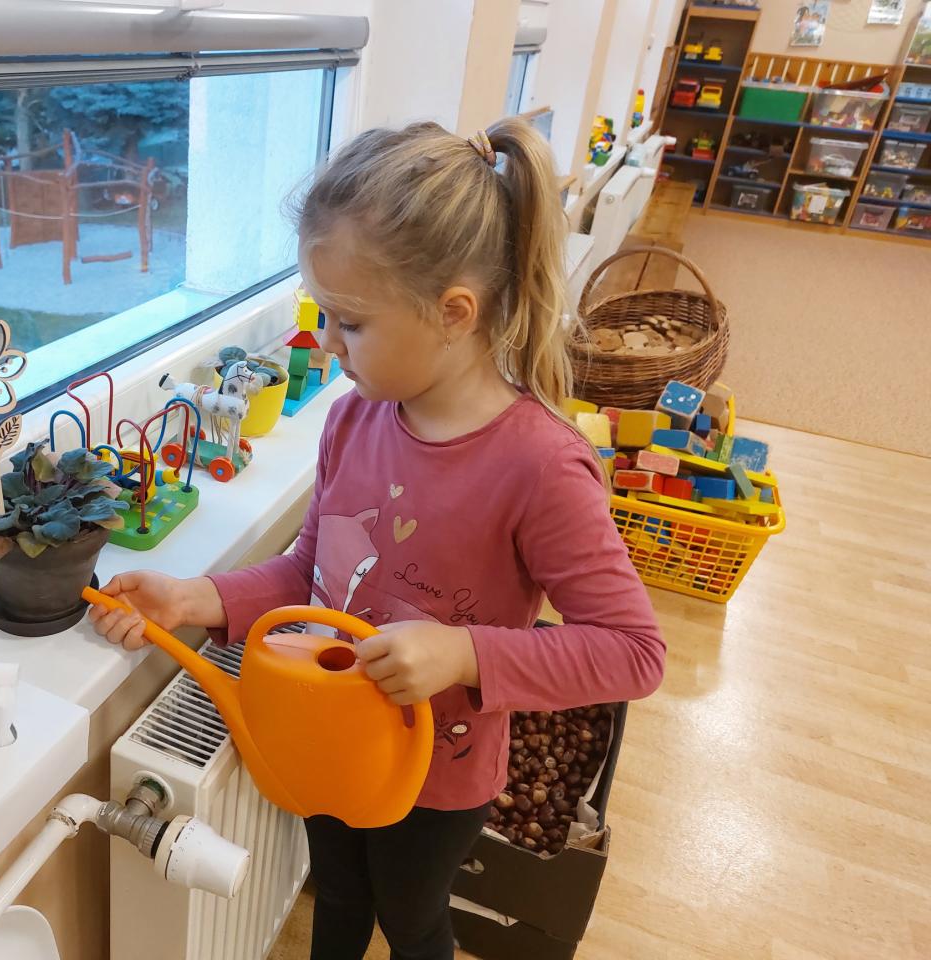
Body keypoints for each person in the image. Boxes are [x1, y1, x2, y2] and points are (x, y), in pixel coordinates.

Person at [89, 118, 665, 960]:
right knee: (339, 890)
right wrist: (192, 598)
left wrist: (462, 654)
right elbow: (311, 574)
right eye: (324, 315)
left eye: (349, 323)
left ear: (453, 314)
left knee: (410, 917)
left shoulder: (541, 468)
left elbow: (634, 654)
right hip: (328, 734)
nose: (326, 343)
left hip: (438, 778)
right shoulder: (352, 421)